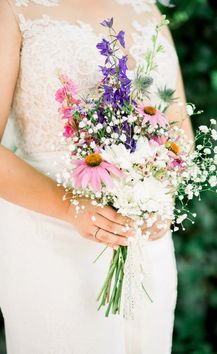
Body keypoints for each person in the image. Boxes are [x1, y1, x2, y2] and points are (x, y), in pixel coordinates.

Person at [0, 0, 193, 353]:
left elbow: (181, 135)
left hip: (144, 247)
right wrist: (72, 208)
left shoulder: (147, 11)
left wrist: (161, 196)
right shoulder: (12, 8)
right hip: (49, 243)